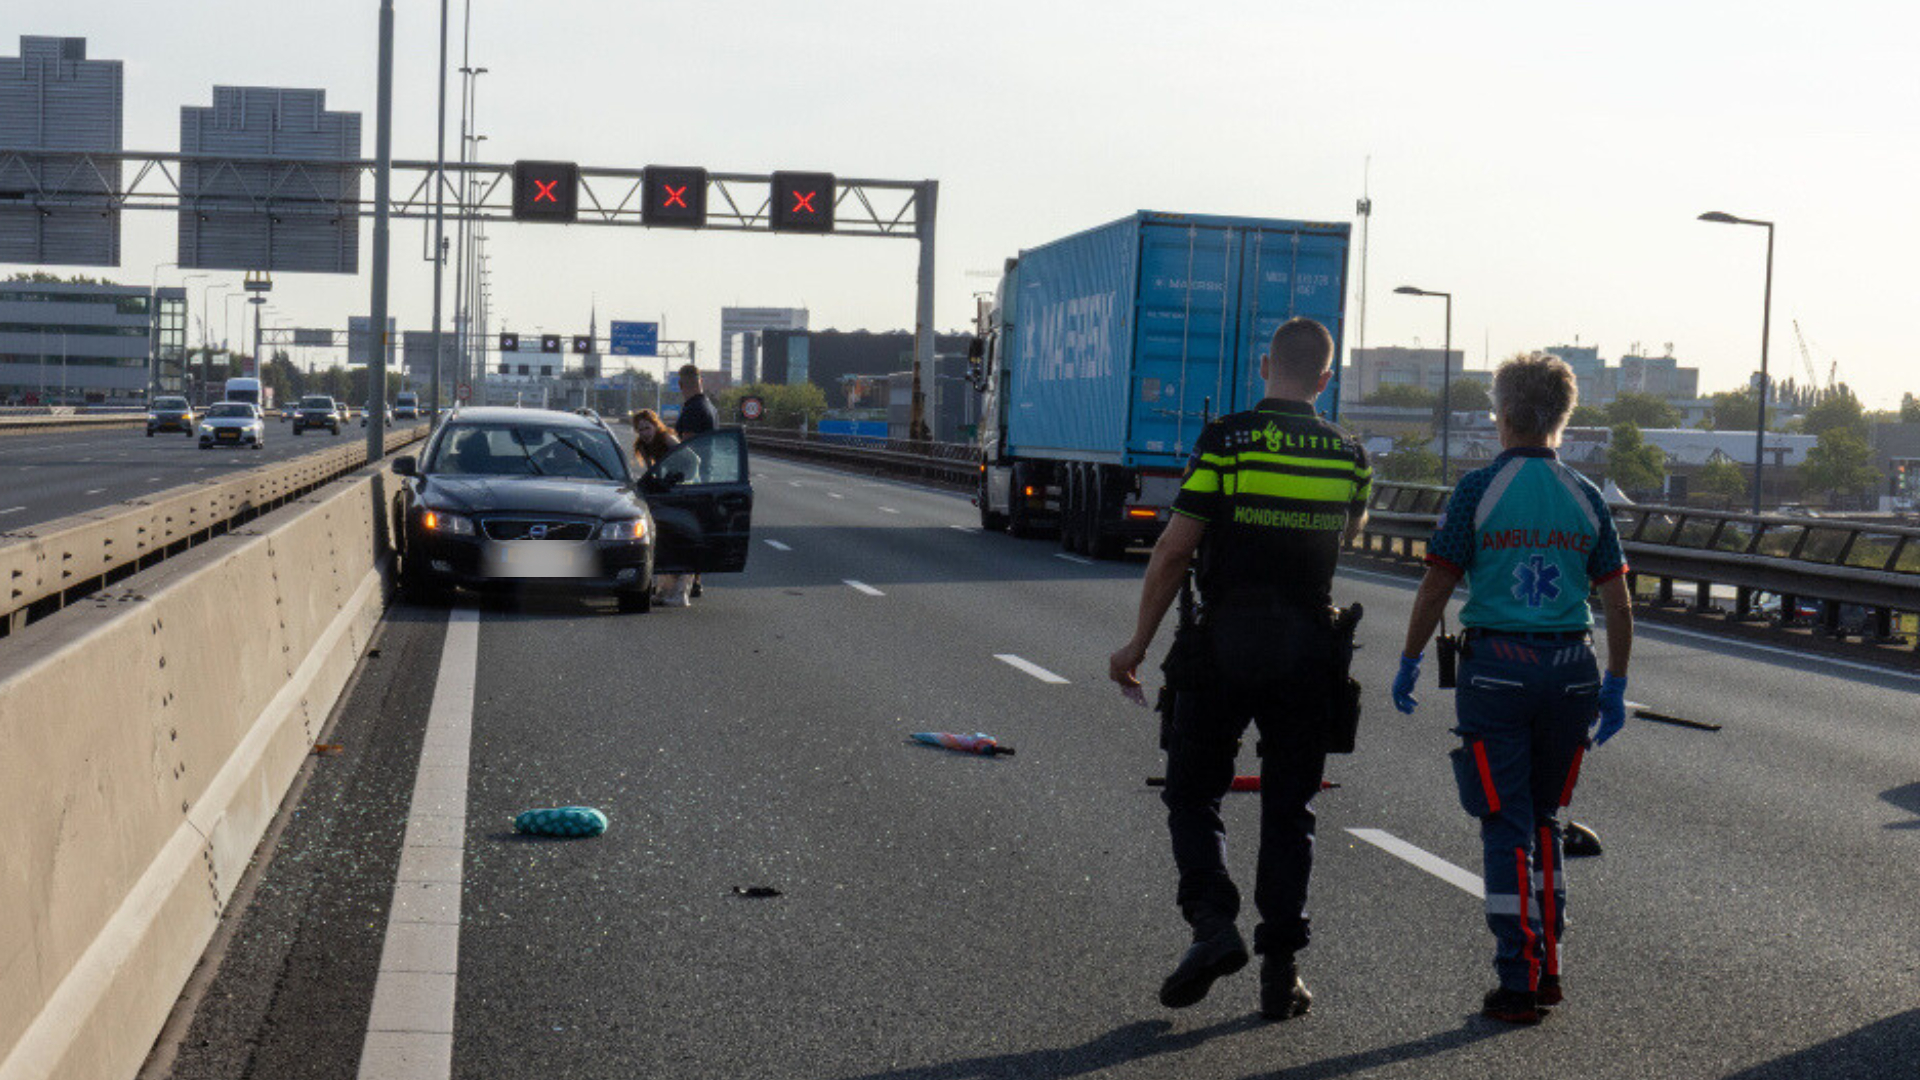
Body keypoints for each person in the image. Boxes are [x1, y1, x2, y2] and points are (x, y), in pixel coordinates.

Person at [1108, 317, 1371, 1021]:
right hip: (1309, 651)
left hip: (1223, 643)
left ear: (1264, 367)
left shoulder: (1225, 441)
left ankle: (1212, 923)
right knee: (1291, 810)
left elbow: (1174, 550)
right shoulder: (1350, 454)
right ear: (1325, 379)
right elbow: (1349, 532)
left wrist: (1136, 646)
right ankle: (1281, 974)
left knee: (1193, 793)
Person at [1392, 352, 1634, 1025]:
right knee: (1546, 818)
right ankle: (1549, 966)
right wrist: (1615, 683)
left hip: (1496, 667)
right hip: (1573, 668)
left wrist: (1410, 659)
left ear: (1501, 414)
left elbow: (1437, 584)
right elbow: (1617, 603)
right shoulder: (1587, 495)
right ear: (1564, 418)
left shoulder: (1478, 489)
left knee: (1506, 824)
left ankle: (1516, 978)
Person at [630, 409, 691, 608]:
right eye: (640, 430)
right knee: (663, 541)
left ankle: (680, 593)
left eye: (647, 428)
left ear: (656, 426)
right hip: (665, 493)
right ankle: (664, 591)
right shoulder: (642, 446)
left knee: (679, 541)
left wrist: (680, 480)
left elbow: (692, 460)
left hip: (682, 490)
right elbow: (652, 472)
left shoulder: (667, 439)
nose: (645, 433)